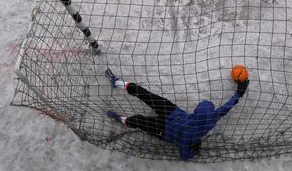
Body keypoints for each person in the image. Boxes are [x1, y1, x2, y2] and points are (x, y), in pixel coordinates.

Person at [105, 68, 249, 161]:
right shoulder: (213, 118)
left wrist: (194, 148)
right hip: (173, 112)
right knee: (146, 95)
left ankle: (122, 119)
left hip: (165, 130)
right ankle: (118, 83)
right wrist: (239, 92)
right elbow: (227, 106)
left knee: (139, 121)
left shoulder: (189, 136)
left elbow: (184, 156)